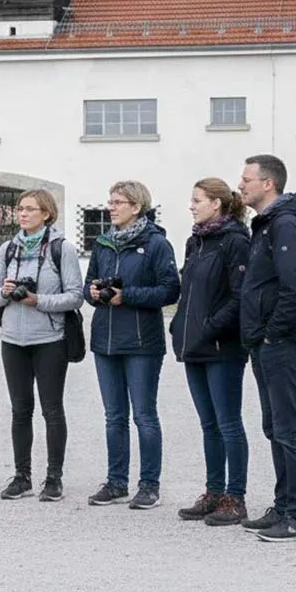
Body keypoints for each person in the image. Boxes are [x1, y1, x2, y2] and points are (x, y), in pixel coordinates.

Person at [83, 180, 180, 510]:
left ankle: (149, 485)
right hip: (104, 341)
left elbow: (170, 290)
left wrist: (130, 296)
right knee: (114, 417)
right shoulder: (103, 243)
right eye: (109, 201)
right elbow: (88, 284)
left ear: (136, 206)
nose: (111, 207)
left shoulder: (156, 244)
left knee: (144, 416)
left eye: (118, 202)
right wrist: (93, 294)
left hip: (141, 342)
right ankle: (116, 482)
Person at [237, 154, 296, 542]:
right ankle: (283, 507)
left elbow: (294, 288)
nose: (241, 185)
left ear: (268, 183)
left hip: (284, 341)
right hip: (266, 340)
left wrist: (272, 333)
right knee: (275, 427)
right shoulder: (266, 225)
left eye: (247, 179)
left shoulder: (285, 224)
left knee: (289, 428)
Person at [0, 189, 84, 502]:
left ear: (47, 213)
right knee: (19, 410)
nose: (23, 214)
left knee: (52, 410)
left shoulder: (61, 249)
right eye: (20, 208)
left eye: (31, 209)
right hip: (12, 340)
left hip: (49, 340)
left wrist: (37, 300)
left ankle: (53, 478)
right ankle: (21, 476)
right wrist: (4, 292)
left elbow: (75, 296)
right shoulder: (8, 249)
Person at [170, 178, 252, 527]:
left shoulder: (235, 241)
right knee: (208, 424)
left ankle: (235, 496)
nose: (191, 205)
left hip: (222, 346)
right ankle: (214, 492)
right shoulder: (196, 241)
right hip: (195, 346)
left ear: (216, 204)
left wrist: (210, 327)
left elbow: (240, 296)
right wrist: (179, 326)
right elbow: (187, 292)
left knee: (228, 422)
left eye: (197, 200)